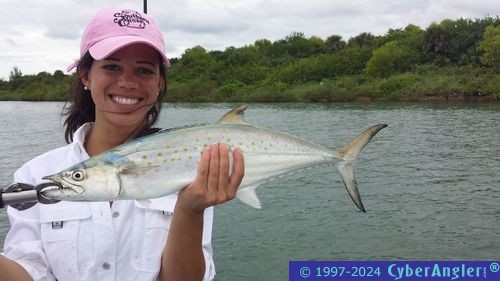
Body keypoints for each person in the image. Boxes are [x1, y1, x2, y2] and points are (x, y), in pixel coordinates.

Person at [0, 7, 244, 281]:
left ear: (159, 82)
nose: (128, 82)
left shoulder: (190, 165)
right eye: (112, 66)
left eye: (144, 70)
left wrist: (190, 209)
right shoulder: (34, 175)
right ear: (86, 75)